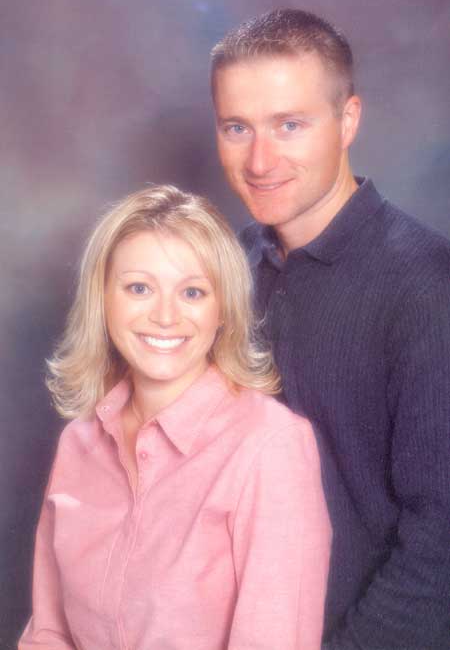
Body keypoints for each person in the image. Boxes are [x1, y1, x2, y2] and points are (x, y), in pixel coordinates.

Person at [211, 9, 450, 649]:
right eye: (237, 127)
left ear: (348, 121)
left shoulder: (429, 287)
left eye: (290, 125)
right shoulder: (225, 270)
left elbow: (441, 546)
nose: (260, 160)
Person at [19, 184, 331, 650]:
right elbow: (48, 634)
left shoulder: (271, 446)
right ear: (103, 300)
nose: (165, 316)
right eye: (139, 288)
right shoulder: (78, 443)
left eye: (192, 292)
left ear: (223, 309)